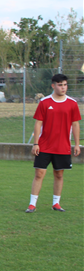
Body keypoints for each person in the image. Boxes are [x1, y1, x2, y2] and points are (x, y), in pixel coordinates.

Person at [25, 73, 81, 213]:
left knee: (59, 174)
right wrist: (36, 143)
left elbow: (75, 124)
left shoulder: (72, 103)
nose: (63, 88)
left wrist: (77, 144)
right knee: (39, 173)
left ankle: (56, 203)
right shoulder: (45, 102)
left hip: (62, 146)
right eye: (60, 85)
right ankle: (32, 204)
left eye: (65, 85)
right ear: (53, 86)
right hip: (44, 145)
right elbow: (38, 123)